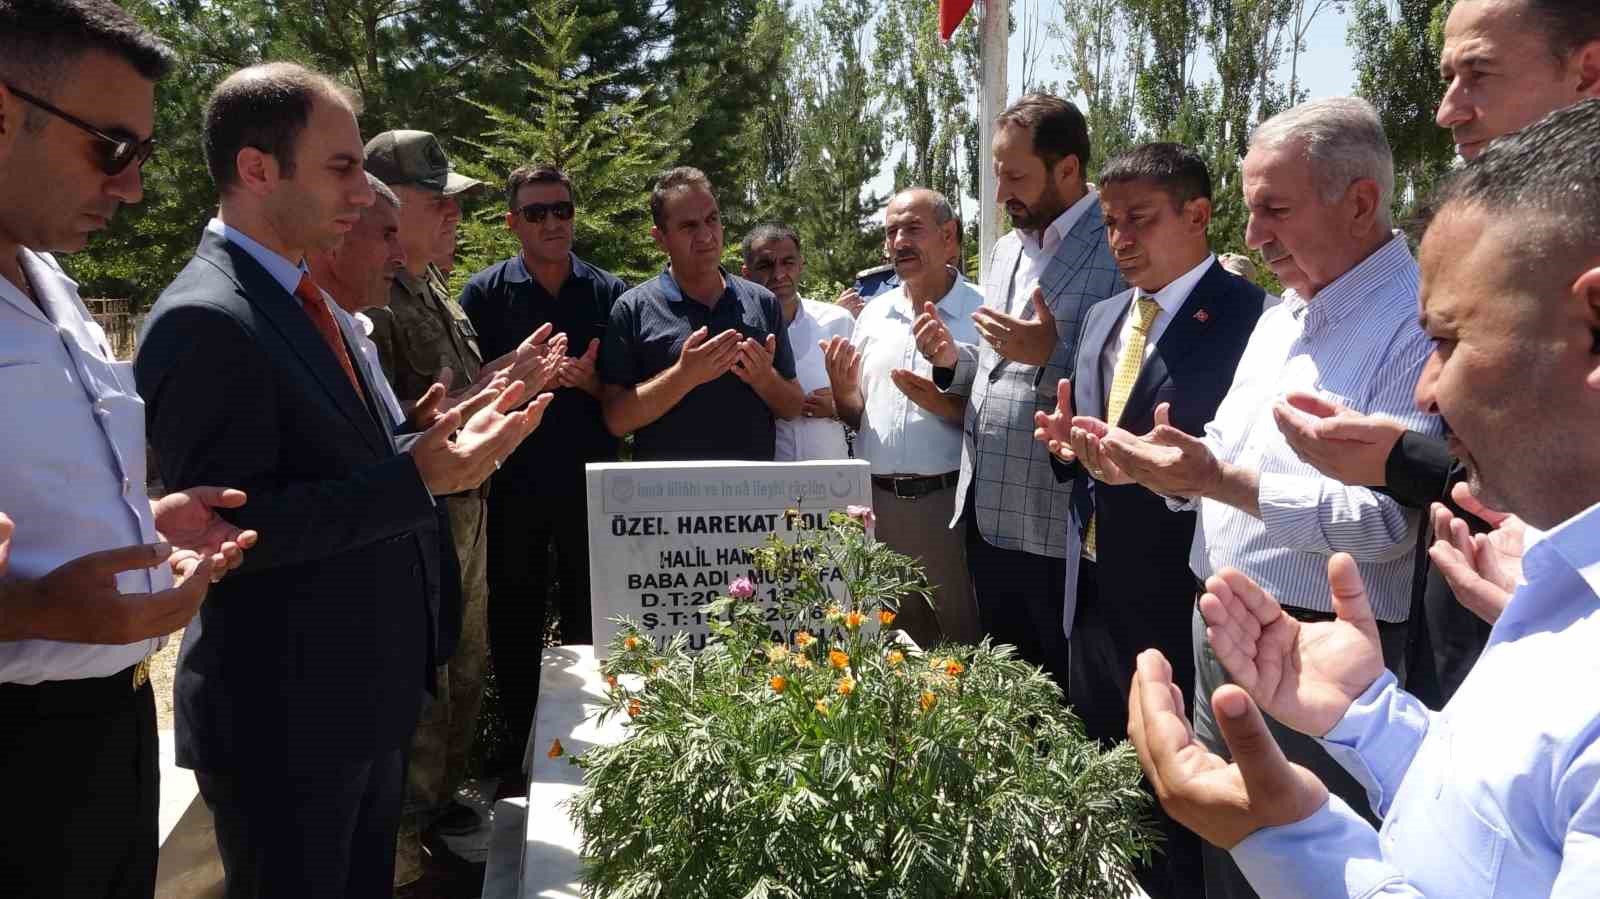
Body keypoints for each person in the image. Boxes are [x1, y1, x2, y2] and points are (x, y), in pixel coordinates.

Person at [1129, 96, 1600, 899]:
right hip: (1286, 656)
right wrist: (1375, 718)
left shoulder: (1398, 315)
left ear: (1358, 203)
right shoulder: (1554, 586)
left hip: (1324, 637)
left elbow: (1386, 520)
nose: (1428, 389)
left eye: (1448, 341)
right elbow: (1487, 817)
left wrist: (1287, 837)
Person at [134, 62, 551, 897]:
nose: (365, 194)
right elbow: (229, 536)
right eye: (343, 167)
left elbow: (318, 460)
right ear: (258, 169)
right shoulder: (207, 319)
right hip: (288, 724)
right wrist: (420, 476)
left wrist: (415, 434)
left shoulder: (298, 299)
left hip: (357, 703)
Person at [1069, 98, 1444, 899]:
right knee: (1230, 859)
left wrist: (1220, 481)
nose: (1253, 235)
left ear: (1360, 203)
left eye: (1275, 209)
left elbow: (1389, 526)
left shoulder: (1416, 321)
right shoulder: (1284, 314)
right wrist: (1163, 473)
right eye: (1250, 209)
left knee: (1315, 873)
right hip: (1225, 627)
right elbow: (1227, 471)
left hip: (1323, 663)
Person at [1270, 0, 1600, 705]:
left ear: (1586, 69)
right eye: (1448, 77)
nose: (1450, 110)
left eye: (1477, 74)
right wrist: (1403, 458)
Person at [0, 3, 255, 895]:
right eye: (111, 148)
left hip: (107, 732)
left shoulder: (54, 283)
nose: (134, 186)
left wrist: (145, 521)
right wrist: (30, 610)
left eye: (141, 155)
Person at [1033, 143, 1266, 899]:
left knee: (1179, 792)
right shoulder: (1106, 316)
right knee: (1108, 770)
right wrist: (1072, 452)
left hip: (1181, 594)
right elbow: (1101, 442)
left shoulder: (1249, 320)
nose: (1120, 238)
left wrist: (1149, 469)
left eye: (1139, 219)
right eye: (1108, 223)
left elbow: (1233, 467)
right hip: (1092, 588)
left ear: (1197, 216)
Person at [911, 94, 1125, 687]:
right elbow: (1002, 362)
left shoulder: (1116, 249)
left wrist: (1050, 352)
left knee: (1066, 694)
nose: (1001, 192)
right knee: (1006, 691)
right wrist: (953, 361)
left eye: (1015, 175)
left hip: (1059, 520)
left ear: (1068, 169)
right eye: (997, 173)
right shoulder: (1006, 249)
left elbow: (1135, 375)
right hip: (985, 512)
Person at [360, 127, 498, 879]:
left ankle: (440, 813)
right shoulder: (371, 304)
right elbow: (397, 426)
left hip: (466, 506)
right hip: (420, 513)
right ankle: (407, 844)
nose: (452, 216)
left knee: (466, 664)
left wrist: (508, 378)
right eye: (436, 202)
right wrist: (501, 385)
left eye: (456, 204)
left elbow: (458, 395)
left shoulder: (434, 289)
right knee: (427, 677)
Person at [459, 164, 627, 778]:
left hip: (589, 481)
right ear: (512, 223)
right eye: (537, 213)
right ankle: (523, 747)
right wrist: (519, 382)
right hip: (512, 484)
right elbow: (466, 393)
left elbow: (628, 392)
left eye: (562, 209)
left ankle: (597, 745)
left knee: (593, 612)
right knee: (515, 617)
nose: (554, 222)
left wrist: (591, 381)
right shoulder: (482, 295)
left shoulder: (610, 293)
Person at [819, 188, 982, 648]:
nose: (899, 242)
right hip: (876, 509)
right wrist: (844, 394)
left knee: (959, 649)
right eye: (892, 232)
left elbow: (998, 422)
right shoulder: (871, 316)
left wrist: (939, 401)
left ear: (949, 237)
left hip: (948, 510)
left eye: (912, 228)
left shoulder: (983, 312)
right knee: (884, 647)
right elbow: (858, 418)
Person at [599, 167, 803, 460]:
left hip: (751, 498)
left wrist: (764, 378)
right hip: (667, 499)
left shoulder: (762, 302)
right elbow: (616, 420)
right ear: (660, 238)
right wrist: (684, 375)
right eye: (689, 226)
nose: (706, 235)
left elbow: (793, 407)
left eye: (712, 220)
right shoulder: (633, 308)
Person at [741, 223, 852, 461]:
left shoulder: (838, 322)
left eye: (788, 262)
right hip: (763, 483)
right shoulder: (736, 332)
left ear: (801, 264)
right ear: (746, 273)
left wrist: (835, 408)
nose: (779, 274)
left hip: (831, 479)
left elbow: (871, 400)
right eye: (765, 265)